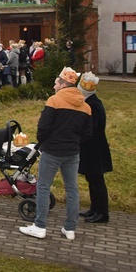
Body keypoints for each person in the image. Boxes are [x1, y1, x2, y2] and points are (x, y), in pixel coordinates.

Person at [20, 67, 92, 241]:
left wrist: (43, 141)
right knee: (72, 189)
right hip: (72, 152)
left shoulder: (54, 100)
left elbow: (43, 127)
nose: (54, 86)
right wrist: (74, 142)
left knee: (43, 187)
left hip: (52, 151)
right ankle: (70, 228)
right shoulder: (86, 106)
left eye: (55, 83)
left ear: (62, 84)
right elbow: (88, 134)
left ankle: (39, 226)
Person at [77, 72, 112, 224]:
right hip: (92, 148)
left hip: (94, 149)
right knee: (92, 179)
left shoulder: (93, 105)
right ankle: (94, 208)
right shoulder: (92, 103)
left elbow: (91, 129)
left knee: (96, 180)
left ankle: (102, 212)